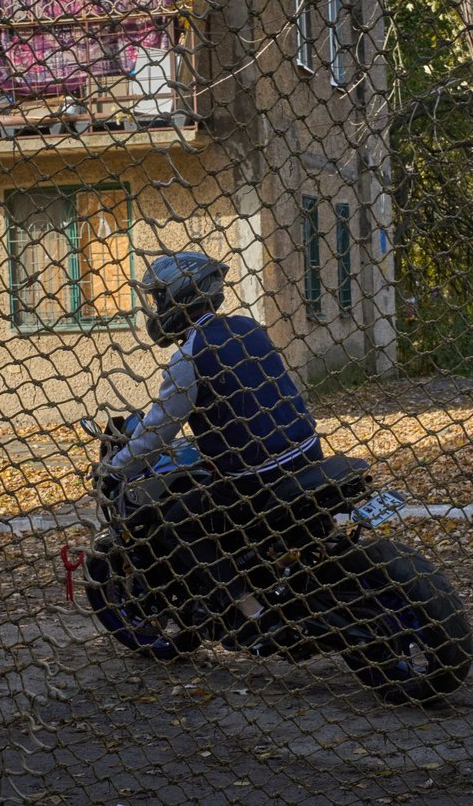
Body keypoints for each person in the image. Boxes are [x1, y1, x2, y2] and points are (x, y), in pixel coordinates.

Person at [103, 252, 323, 651]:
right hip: (307, 454)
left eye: (159, 300)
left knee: (180, 523)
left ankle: (254, 614)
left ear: (178, 299)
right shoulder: (247, 328)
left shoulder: (189, 356)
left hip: (259, 480)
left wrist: (116, 468)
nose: (157, 309)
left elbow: (156, 434)